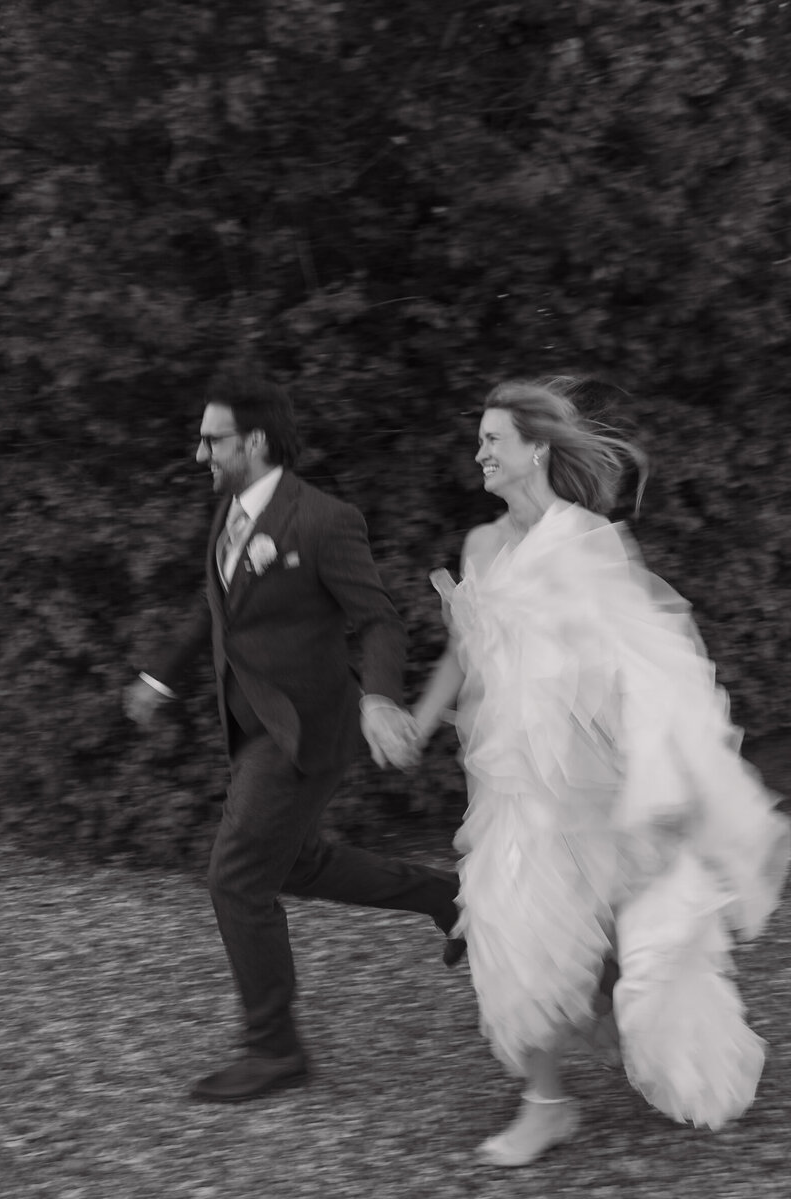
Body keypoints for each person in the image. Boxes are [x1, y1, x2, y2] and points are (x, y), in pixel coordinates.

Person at [408, 377, 790, 1166]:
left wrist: (664, 778)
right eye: (479, 439)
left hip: (590, 781)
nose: (478, 452)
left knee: (622, 937)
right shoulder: (481, 546)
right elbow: (463, 649)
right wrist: (415, 720)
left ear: (536, 449)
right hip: (512, 781)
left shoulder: (583, 539)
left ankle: (635, 1038)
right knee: (510, 924)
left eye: (493, 439)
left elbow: (642, 665)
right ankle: (546, 1101)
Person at [124, 365, 463, 1103]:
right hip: (250, 725)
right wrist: (160, 676)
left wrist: (379, 699)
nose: (199, 453)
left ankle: (274, 1051)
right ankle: (452, 896)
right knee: (296, 864)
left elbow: (377, 618)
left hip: (307, 726)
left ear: (253, 439)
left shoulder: (322, 518)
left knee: (237, 877)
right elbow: (218, 607)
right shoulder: (229, 511)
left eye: (212, 440)